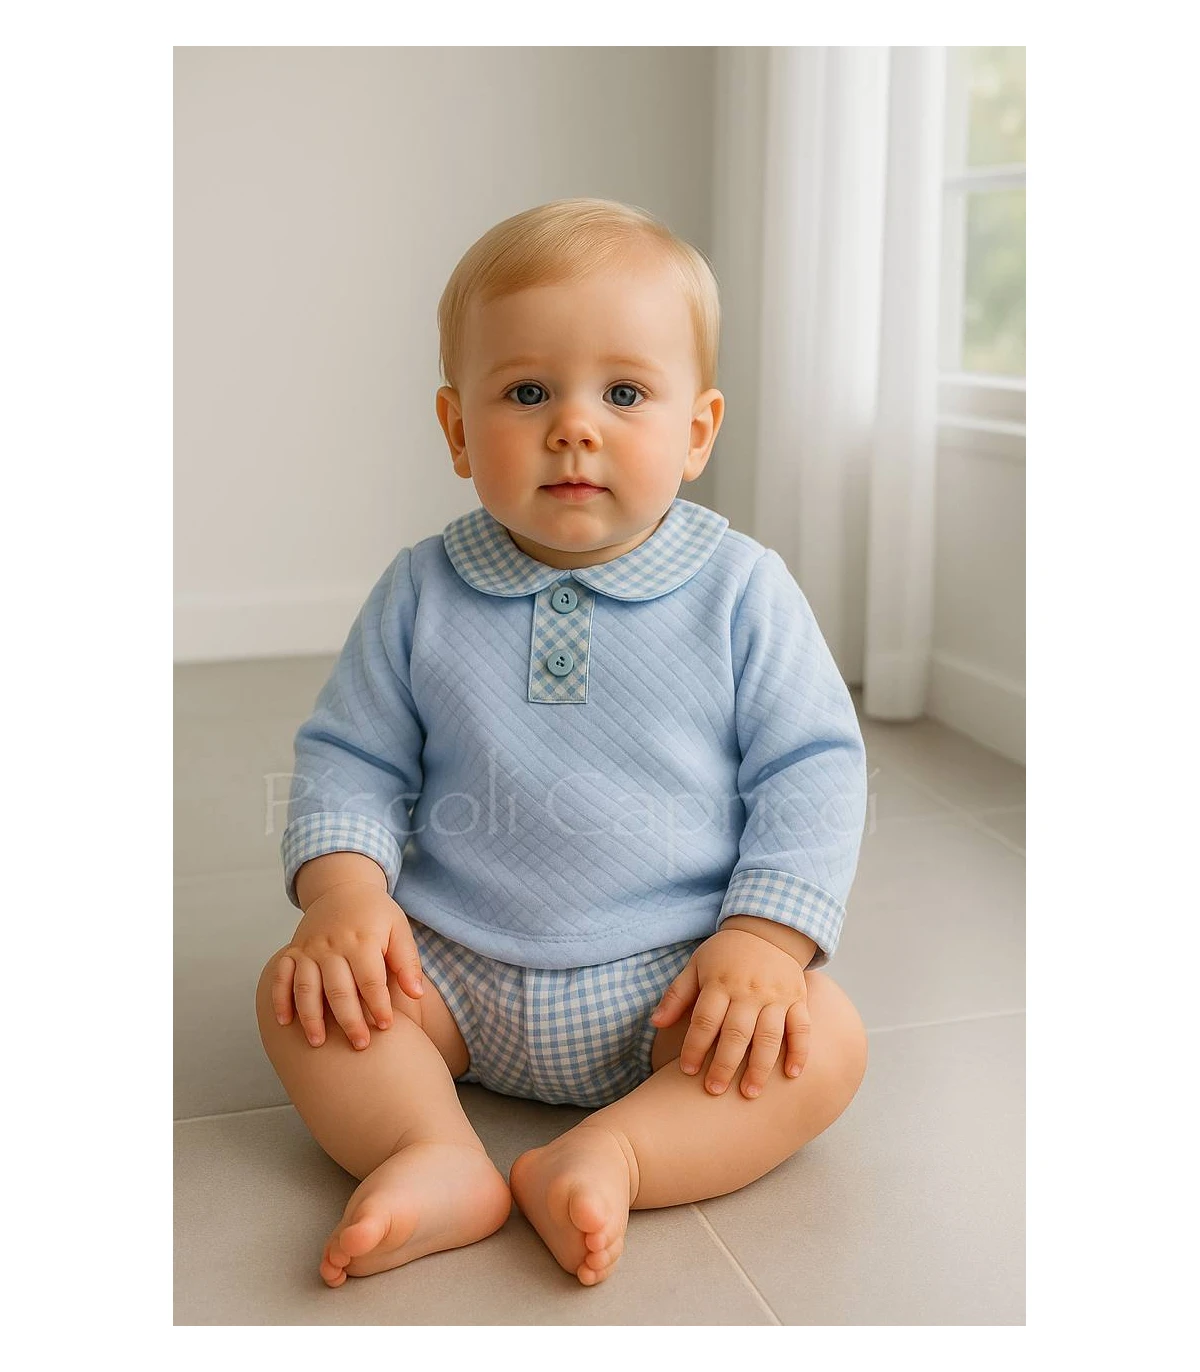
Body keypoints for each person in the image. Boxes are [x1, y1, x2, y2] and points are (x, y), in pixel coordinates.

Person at [255, 197, 870, 1290]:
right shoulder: (421, 590)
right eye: (528, 392)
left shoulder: (742, 591)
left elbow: (811, 770)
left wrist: (765, 940)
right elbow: (353, 757)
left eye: (624, 393)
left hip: (675, 980)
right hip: (446, 966)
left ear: (698, 431)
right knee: (299, 995)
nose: (574, 427)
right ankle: (430, 1149)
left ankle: (616, 1152)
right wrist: (344, 895)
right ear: (456, 429)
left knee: (825, 1042)